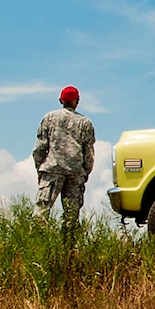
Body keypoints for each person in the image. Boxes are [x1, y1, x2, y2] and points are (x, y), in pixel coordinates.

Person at [33, 86, 99, 235]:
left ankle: (38, 244)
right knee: (72, 215)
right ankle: (68, 248)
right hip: (75, 172)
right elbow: (88, 153)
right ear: (78, 101)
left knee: (42, 210)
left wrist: (40, 168)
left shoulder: (49, 118)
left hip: (52, 170)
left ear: (61, 100)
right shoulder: (85, 122)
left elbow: (40, 147)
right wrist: (85, 172)